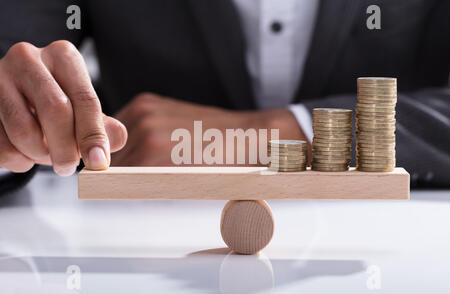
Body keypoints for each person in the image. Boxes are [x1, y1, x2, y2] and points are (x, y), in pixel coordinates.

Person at [0, 0, 449, 196]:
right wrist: (13, 123)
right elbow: (17, 63)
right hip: (140, 238)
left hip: (397, 250)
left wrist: (263, 134)